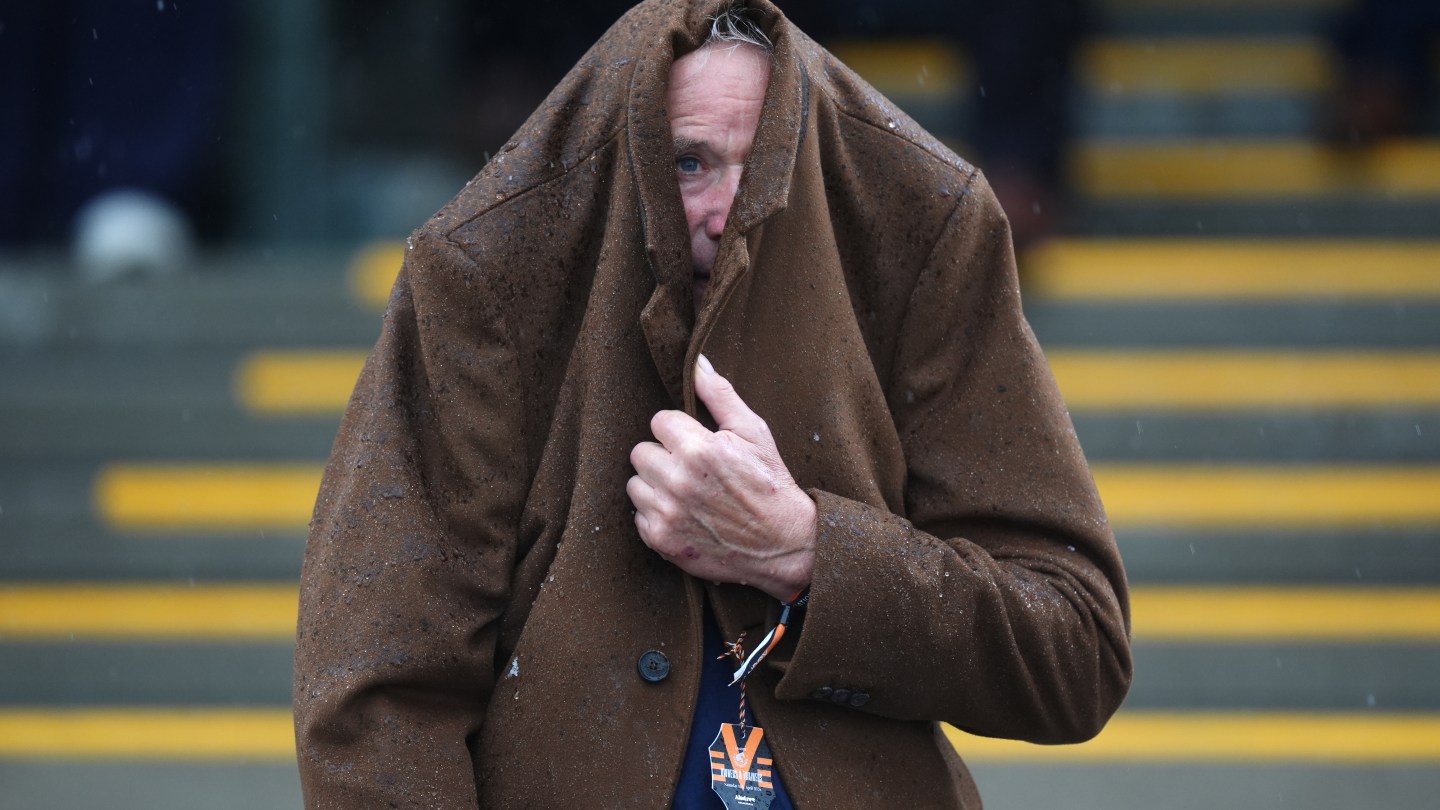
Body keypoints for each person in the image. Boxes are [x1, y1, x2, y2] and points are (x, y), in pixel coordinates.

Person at [293, 1, 1131, 807]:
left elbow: (1075, 648)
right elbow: (378, 700)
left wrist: (805, 553)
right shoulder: (487, 266)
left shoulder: (917, 227)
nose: (726, 212)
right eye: (688, 161)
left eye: (762, 161)